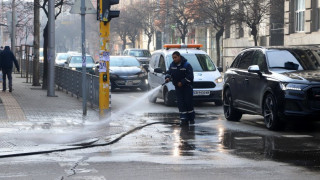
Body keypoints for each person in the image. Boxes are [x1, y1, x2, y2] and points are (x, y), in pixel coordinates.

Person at [165, 51, 195, 126]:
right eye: (173, 58)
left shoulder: (187, 65)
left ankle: (191, 119)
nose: (174, 59)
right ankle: (183, 119)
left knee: (188, 103)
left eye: (175, 57)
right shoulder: (172, 65)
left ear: (179, 57)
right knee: (180, 103)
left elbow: (190, 77)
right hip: (178, 88)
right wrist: (167, 77)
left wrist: (182, 82)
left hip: (187, 87)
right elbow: (169, 72)